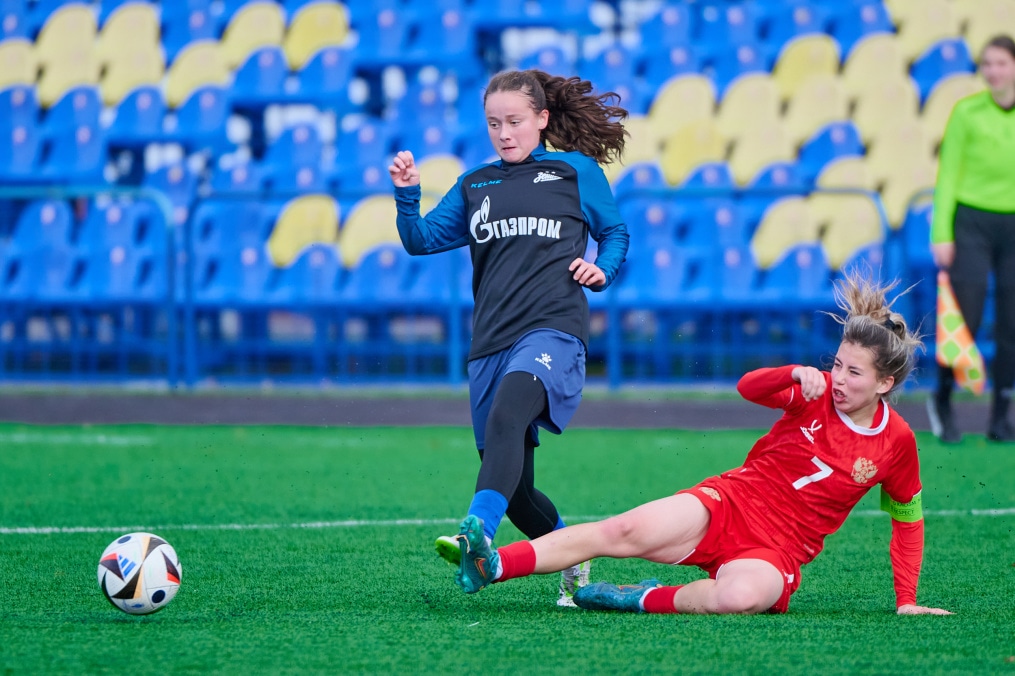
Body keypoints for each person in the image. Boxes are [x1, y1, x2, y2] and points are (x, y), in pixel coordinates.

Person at [448, 272, 952, 616]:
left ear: (885, 384)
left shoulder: (898, 442)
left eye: (854, 372)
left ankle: (641, 598)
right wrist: (794, 372)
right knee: (621, 530)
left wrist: (906, 599)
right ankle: (494, 565)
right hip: (729, 502)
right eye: (838, 363)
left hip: (776, 551)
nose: (838, 378)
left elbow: (908, 520)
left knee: (740, 597)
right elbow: (749, 387)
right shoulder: (813, 386)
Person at [387, 69, 629, 606]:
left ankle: (476, 533)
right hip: (491, 342)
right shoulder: (477, 183)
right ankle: (575, 554)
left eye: (515, 121)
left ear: (542, 120)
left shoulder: (575, 171)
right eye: (494, 123)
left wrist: (602, 269)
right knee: (519, 496)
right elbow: (421, 239)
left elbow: (614, 232)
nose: (504, 132)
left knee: (507, 413)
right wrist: (407, 197)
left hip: (554, 329)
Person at [928, 34, 1015, 444]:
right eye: (987, 64)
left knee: (1012, 326)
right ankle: (942, 402)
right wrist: (941, 231)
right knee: (968, 317)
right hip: (971, 224)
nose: (993, 71)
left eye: (1001, 63)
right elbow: (946, 176)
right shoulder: (966, 112)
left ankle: (1001, 417)